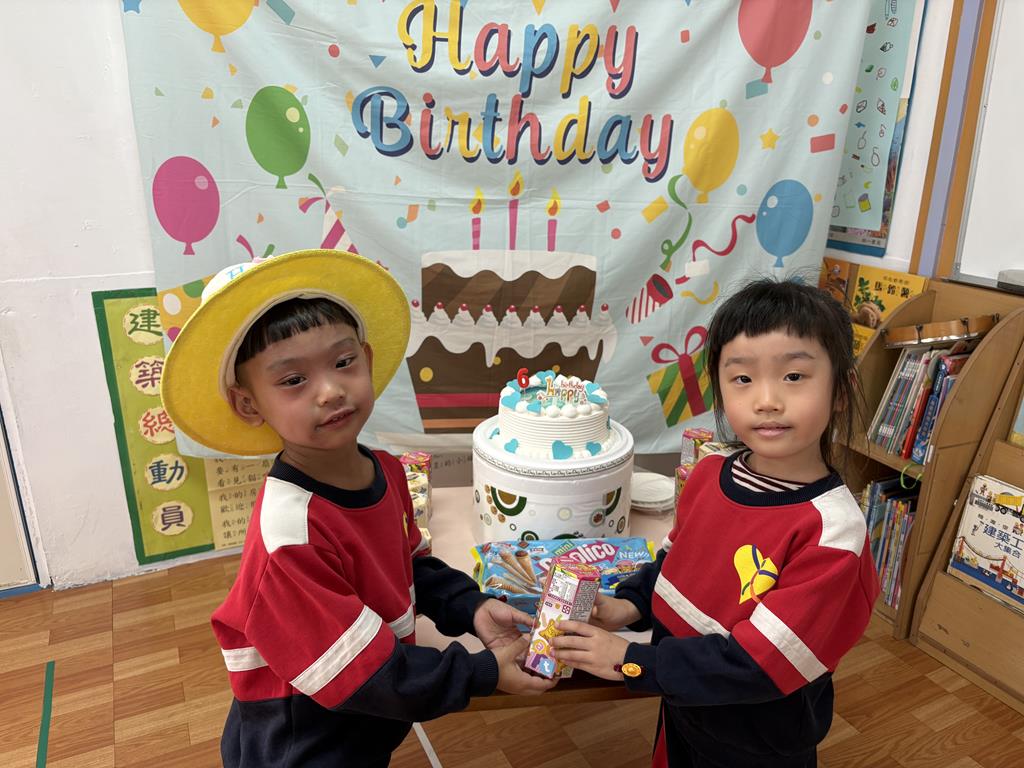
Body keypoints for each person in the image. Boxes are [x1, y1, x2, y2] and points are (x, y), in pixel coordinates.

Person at [160, 250, 553, 768]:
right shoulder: (290, 536)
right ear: (249, 403)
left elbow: (406, 568)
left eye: (343, 362)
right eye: (293, 380)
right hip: (304, 745)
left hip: (365, 721)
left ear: (366, 358)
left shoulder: (384, 470)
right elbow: (365, 675)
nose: (330, 391)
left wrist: (471, 607)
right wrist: (481, 672)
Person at [550, 279, 881, 767]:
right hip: (684, 700)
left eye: (794, 376)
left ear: (840, 391)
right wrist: (629, 605)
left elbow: (760, 665)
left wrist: (629, 658)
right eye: (742, 378)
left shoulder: (832, 533)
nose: (766, 400)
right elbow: (674, 564)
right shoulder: (709, 473)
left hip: (756, 739)